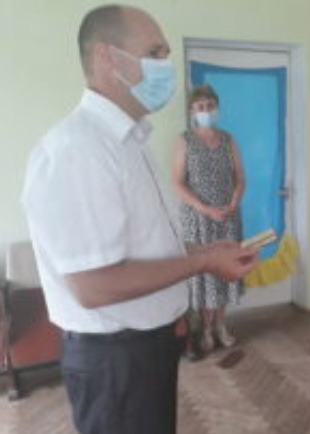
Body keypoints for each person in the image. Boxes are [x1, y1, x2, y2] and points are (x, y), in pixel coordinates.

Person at [20, 5, 257, 434]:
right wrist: (203, 262)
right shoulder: (79, 150)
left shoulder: (129, 141)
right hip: (115, 359)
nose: (166, 65)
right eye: (155, 53)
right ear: (107, 58)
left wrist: (206, 249)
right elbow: (94, 286)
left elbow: (148, 244)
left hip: (145, 348)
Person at [172, 84, 246, 355]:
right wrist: (206, 209)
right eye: (200, 107)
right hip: (199, 220)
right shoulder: (184, 141)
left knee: (225, 271)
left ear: (217, 108)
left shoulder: (228, 140)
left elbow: (240, 178)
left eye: (210, 106)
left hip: (227, 218)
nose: (205, 111)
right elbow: (178, 183)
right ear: (192, 111)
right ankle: (204, 329)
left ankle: (221, 325)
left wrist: (234, 202)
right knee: (205, 275)